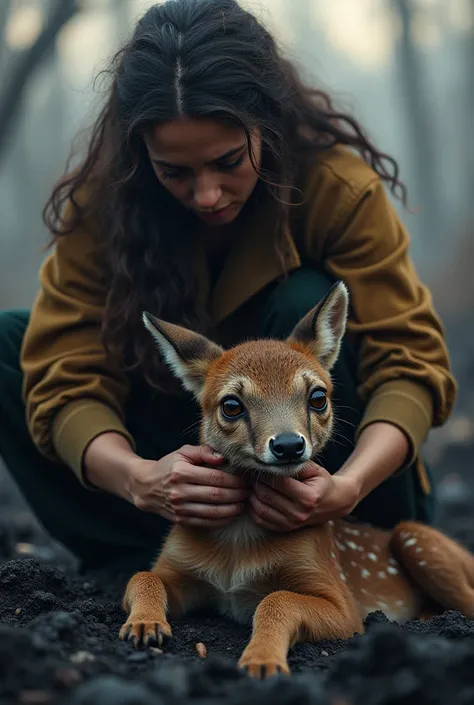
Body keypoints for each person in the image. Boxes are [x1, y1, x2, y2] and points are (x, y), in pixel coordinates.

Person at [0, 0, 457, 573]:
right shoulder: (103, 205)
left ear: (265, 126)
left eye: (228, 161)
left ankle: (340, 567)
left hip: (339, 506)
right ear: (142, 155)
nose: (207, 194)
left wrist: (349, 484)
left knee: (305, 298)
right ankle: (147, 560)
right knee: (8, 345)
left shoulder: (340, 189)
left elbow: (410, 362)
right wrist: (140, 477)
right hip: (188, 485)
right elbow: (64, 371)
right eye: (175, 172)